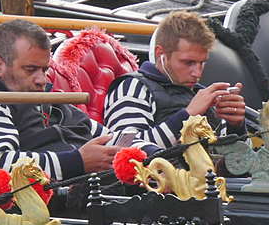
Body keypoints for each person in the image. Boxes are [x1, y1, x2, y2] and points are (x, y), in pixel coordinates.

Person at [0, 19, 157, 181]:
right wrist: (78, 162)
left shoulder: (50, 101)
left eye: (45, 69)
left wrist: (155, 155)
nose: (42, 79)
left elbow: (110, 137)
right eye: (30, 70)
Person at [103, 11, 249, 149]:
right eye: (188, 63)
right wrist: (188, 115)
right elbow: (124, 147)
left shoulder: (198, 93)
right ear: (160, 54)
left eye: (202, 63)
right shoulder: (132, 87)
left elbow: (236, 162)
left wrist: (235, 127)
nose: (197, 73)